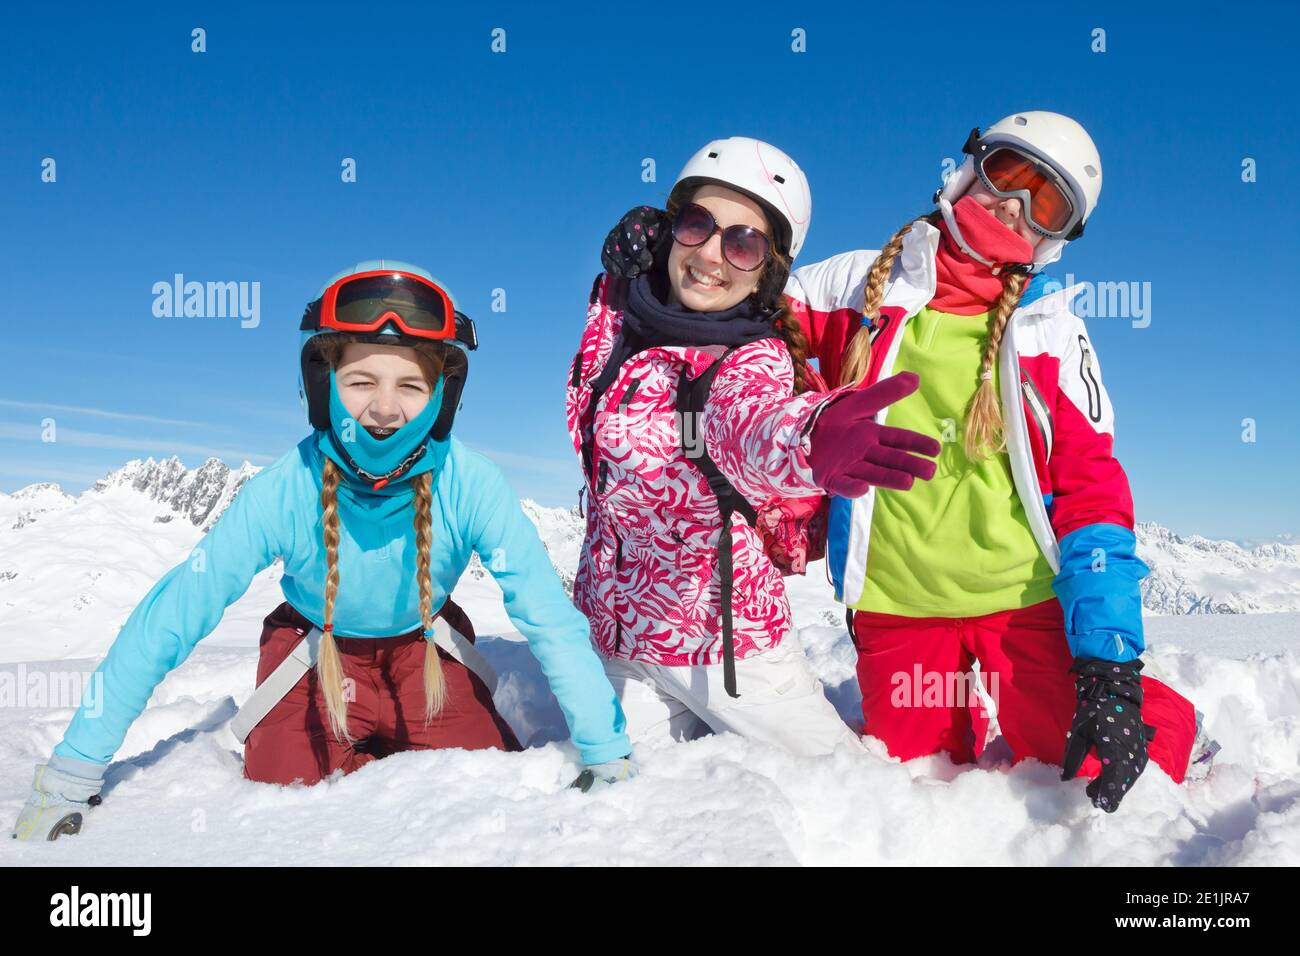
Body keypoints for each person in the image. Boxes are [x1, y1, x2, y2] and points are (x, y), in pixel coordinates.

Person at [13, 261, 632, 842]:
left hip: (428, 656)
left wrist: (605, 752)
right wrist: (75, 769)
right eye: (361, 380)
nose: (385, 408)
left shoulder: (473, 485)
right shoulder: (286, 488)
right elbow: (176, 611)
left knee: (484, 787)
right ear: (324, 384)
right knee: (285, 798)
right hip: (315, 656)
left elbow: (547, 614)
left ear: (443, 394)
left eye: (410, 386)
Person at [781, 112, 1202, 811]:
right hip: (899, 602)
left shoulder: (1053, 333)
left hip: (1021, 604)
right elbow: (739, 305)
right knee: (913, 782)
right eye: (1010, 174)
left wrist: (1108, 667)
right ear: (970, 167)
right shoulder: (852, 289)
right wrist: (663, 272)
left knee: (1094, 758)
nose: (1016, 204)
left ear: (1056, 240)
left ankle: (1185, 725)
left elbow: (1092, 492)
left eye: (1048, 202)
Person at [570, 138, 940, 755]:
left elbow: (752, 424)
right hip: (621, 646)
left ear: (767, 268)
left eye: (743, 242)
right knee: (599, 810)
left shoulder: (750, 357)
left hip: (733, 655)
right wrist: (621, 269)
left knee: (851, 802)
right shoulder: (618, 317)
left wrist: (811, 438)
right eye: (696, 225)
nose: (713, 254)